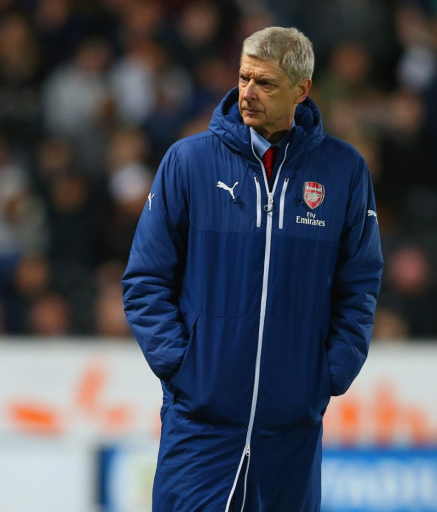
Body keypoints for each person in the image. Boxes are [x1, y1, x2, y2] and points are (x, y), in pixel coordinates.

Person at [122, 27, 383, 511]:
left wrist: (327, 373)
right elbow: (145, 278)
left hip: (291, 429)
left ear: (300, 91)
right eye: (243, 78)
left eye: (265, 83)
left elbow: (361, 283)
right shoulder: (188, 162)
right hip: (199, 423)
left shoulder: (344, 172)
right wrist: (183, 366)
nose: (247, 92)